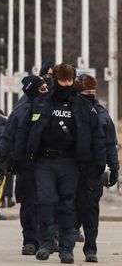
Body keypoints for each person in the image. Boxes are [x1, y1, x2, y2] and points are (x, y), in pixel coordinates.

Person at [19, 63, 105, 264]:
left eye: (69, 80)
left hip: (71, 162)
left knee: (67, 205)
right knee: (45, 201)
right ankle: (46, 243)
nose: (66, 84)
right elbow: (25, 130)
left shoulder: (83, 106)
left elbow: (97, 136)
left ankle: (67, 249)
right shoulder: (41, 103)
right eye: (62, 80)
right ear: (55, 80)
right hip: (45, 161)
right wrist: (19, 157)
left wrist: (98, 163)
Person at [0, 74, 48, 256]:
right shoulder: (20, 111)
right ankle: (30, 240)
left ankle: (48, 238)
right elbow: (7, 137)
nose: (46, 91)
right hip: (26, 164)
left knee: (48, 202)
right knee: (28, 204)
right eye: (42, 88)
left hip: (47, 163)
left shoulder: (52, 107)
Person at [75, 74, 118, 263]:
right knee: (70, 207)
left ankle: (90, 247)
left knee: (90, 209)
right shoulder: (71, 111)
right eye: (87, 92)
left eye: (92, 92)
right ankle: (66, 240)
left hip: (93, 169)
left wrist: (114, 168)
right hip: (72, 168)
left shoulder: (102, 114)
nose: (90, 95)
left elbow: (111, 144)